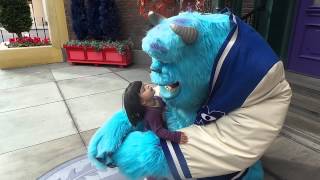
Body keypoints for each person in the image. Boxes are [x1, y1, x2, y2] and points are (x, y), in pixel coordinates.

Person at [123, 81, 188, 144]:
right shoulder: (151, 114)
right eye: (144, 89)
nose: (147, 86)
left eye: (144, 85)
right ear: (142, 102)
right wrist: (175, 137)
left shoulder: (156, 98)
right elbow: (159, 131)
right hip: (157, 134)